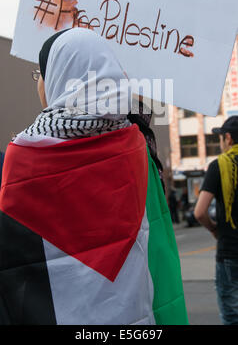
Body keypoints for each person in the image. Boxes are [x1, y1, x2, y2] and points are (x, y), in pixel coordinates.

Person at [0, 28, 188, 325]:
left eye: (40, 73)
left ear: (60, 77)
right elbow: (159, 254)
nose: (39, 83)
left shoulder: (22, 156)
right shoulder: (139, 147)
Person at [194, 116, 238, 325]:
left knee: (232, 316)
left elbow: (200, 212)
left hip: (230, 251)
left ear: (228, 138)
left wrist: (214, 229)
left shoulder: (218, 166)